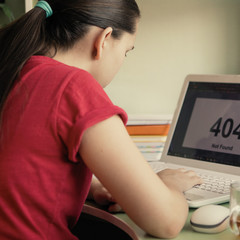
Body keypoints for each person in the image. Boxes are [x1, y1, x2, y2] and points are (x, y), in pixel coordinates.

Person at [0, 0, 202, 239]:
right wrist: (171, 185)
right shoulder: (74, 87)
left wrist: (89, 186)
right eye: (126, 51)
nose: (123, 60)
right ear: (104, 40)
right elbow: (166, 222)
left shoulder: (14, 69)